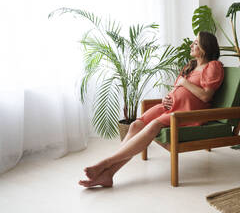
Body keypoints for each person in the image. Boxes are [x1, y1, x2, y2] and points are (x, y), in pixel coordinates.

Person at [79, 31, 224, 188]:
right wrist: (167, 98)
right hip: (170, 107)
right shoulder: (191, 66)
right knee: (135, 125)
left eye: (196, 43)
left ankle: (106, 164)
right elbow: (178, 89)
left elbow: (205, 96)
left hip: (186, 114)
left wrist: (184, 83)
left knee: (154, 124)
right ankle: (108, 174)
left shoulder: (213, 66)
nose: (191, 45)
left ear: (205, 47)